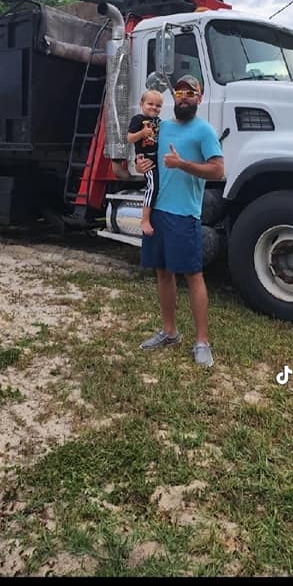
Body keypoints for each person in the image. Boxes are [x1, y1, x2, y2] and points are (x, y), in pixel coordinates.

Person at [137, 75, 224, 368]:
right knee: (162, 273)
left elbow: (217, 171)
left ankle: (202, 342)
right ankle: (169, 332)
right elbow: (146, 154)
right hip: (158, 211)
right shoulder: (162, 128)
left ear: (199, 98)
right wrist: (140, 164)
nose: (184, 96)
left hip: (184, 214)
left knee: (193, 275)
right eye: (179, 91)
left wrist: (183, 164)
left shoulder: (204, 131)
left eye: (191, 92)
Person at [127, 89, 163, 236]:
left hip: (157, 158)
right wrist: (142, 133)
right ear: (142, 104)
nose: (154, 107)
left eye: (158, 105)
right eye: (150, 104)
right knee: (152, 186)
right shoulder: (137, 119)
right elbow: (129, 138)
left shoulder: (160, 123)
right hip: (145, 158)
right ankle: (145, 219)